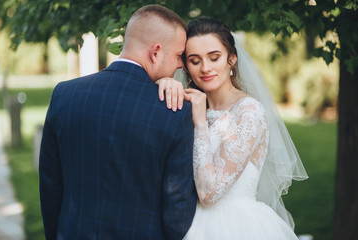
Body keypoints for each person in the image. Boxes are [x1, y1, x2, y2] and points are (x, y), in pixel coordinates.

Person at [39, 5, 197, 240]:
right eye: (178, 55)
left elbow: (50, 188)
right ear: (155, 53)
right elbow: (178, 213)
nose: (181, 65)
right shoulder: (174, 111)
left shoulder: (64, 95)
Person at [157, 17, 308, 239]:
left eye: (214, 57)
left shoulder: (249, 113)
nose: (205, 68)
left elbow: (210, 193)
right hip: (185, 222)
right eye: (195, 60)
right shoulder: (190, 105)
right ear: (186, 66)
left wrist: (200, 124)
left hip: (235, 227)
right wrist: (163, 83)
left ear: (232, 59)